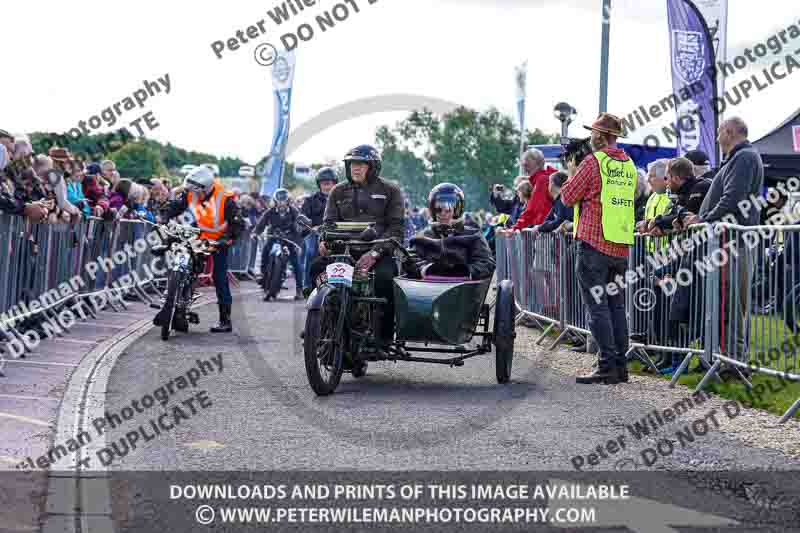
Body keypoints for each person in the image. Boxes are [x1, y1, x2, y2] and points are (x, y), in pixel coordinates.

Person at [560, 113, 637, 385]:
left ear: (600, 136)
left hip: (594, 243)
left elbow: (568, 197)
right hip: (620, 246)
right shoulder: (629, 165)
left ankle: (606, 365)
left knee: (598, 308)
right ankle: (620, 366)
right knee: (616, 307)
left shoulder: (593, 163)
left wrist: (571, 170)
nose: (590, 137)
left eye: (593, 132)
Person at [683, 117, 764, 364]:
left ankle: (735, 363)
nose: (717, 138)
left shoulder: (744, 157)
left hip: (735, 242)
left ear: (729, 132)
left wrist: (703, 218)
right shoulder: (738, 158)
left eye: (719, 132)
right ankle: (725, 359)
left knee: (733, 305)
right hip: (729, 242)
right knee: (726, 304)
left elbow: (732, 198)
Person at [318, 144, 405, 347]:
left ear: (372, 167)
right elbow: (328, 224)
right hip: (344, 253)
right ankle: (320, 325)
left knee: (386, 279)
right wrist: (323, 240)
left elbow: (396, 229)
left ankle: (383, 337)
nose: (355, 168)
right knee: (316, 271)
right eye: (352, 164)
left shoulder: (391, 190)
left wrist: (374, 254)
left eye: (361, 164)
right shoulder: (337, 191)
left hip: (379, 253)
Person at [158, 166, 243, 333]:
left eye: (197, 192)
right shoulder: (191, 191)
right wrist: (164, 216)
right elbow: (174, 205)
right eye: (192, 191)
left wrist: (226, 240)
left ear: (206, 188)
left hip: (217, 241)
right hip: (195, 237)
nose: (193, 195)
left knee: (219, 277)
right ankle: (178, 303)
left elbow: (238, 224)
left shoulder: (225, 199)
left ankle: (225, 320)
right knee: (184, 263)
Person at [406, 183, 495, 280]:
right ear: (433, 210)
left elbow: (486, 262)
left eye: (448, 209)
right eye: (438, 209)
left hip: (464, 289)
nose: (443, 213)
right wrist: (426, 269)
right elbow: (409, 259)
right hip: (429, 288)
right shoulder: (422, 236)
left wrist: (466, 272)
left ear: (457, 210)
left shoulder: (473, 235)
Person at [253, 188, 305, 300]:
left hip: (289, 239)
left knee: (296, 263)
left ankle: (299, 289)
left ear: (288, 201)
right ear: (275, 201)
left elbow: (299, 226)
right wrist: (255, 233)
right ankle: (263, 275)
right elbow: (261, 224)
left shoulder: (294, 211)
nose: (281, 203)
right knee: (265, 251)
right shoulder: (270, 211)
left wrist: (299, 232)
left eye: (284, 201)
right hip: (273, 237)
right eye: (279, 201)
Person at [301, 167, 337, 290]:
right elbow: (303, 217)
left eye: (330, 183)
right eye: (324, 183)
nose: (327, 186)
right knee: (311, 252)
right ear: (319, 184)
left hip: (336, 233)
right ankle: (307, 285)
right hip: (314, 233)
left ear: (335, 184)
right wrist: (309, 226)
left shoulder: (341, 199)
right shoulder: (310, 200)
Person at [511, 149, 557, 231]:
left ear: (537, 163)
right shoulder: (545, 178)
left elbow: (531, 210)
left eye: (527, 164)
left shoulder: (542, 180)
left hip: (543, 233)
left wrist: (515, 228)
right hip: (544, 230)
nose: (524, 168)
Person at [636, 159, 672, 252]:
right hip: (650, 251)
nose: (647, 180)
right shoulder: (652, 196)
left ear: (664, 177)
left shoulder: (673, 196)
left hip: (669, 253)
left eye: (652, 176)